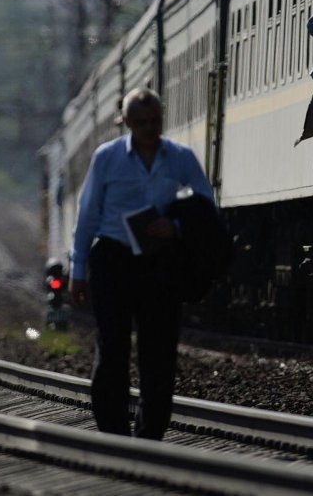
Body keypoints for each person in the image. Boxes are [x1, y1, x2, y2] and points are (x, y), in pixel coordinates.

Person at [68, 88, 215, 440]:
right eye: (141, 122)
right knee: (112, 350)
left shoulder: (180, 158)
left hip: (159, 262)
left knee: (159, 353)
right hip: (113, 259)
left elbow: (206, 206)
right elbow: (87, 216)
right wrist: (77, 271)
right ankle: (114, 433)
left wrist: (176, 226)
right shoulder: (107, 158)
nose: (149, 128)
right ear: (126, 123)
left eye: (155, 121)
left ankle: (150, 436)